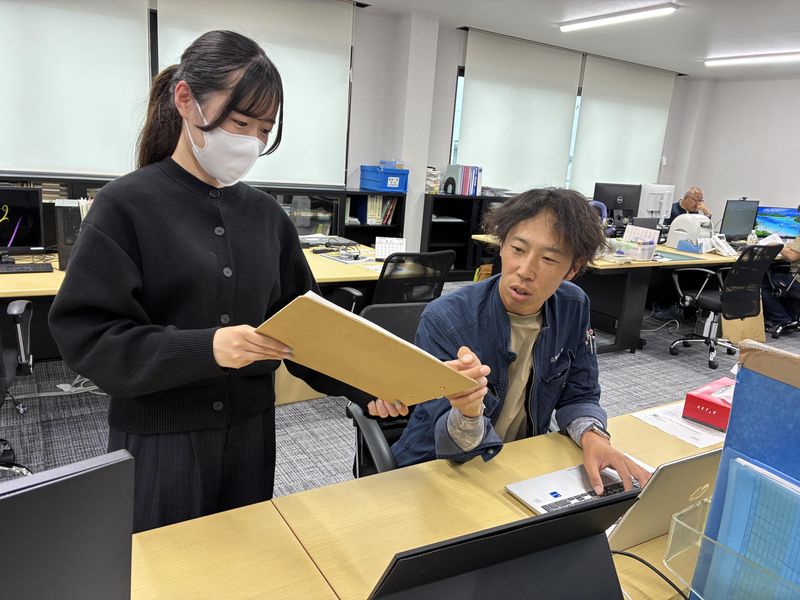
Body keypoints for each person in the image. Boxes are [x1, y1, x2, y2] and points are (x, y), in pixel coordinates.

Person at [48, 30, 372, 532]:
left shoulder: (268, 218)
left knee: (241, 560)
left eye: (264, 130)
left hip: (251, 435)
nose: (251, 142)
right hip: (162, 440)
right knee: (164, 566)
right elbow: (90, 337)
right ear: (185, 100)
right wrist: (208, 348)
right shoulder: (125, 206)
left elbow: (307, 330)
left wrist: (373, 384)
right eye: (240, 123)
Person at [368, 188, 651, 495]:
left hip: (521, 462)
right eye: (518, 249)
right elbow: (448, 442)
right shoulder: (446, 319)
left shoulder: (573, 305)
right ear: (501, 246)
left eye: (548, 258)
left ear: (572, 268)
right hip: (440, 467)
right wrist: (468, 412)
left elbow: (580, 393)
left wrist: (594, 436)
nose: (525, 271)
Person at [761, 208, 800, 329]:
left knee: (760, 282)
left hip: (797, 281)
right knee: (778, 276)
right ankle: (791, 317)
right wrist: (788, 246)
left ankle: (782, 319)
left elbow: (792, 256)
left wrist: (778, 245)